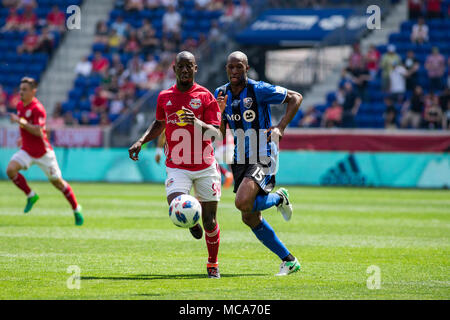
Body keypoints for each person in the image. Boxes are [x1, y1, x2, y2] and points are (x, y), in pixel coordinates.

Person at [128, 51, 223, 278]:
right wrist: (141, 141)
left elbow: (216, 133)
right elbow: (159, 123)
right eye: (180, 66)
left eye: (189, 66)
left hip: (205, 166)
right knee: (176, 205)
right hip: (177, 165)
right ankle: (191, 222)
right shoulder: (164, 97)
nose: (184, 70)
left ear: (195, 68)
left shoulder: (205, 96)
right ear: (174, 69)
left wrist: (197, 122)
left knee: (210, 222)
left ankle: (212, 264)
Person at [214, 51, 302, 276]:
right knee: (249, 215)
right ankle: (289, 260)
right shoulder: (221, 93)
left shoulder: (258, 89)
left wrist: (280, 127)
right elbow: (220, 132)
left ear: (247, 68)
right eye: (231, 67)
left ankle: (279, 198)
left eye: (239, 67)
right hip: (240, 157)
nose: (234, 71)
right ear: (226, 69)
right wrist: (219, 113)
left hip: (263, 153)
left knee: (242, 201)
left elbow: (296, 97)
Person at [6, 77, 84, 225]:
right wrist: (22, 138)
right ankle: (31, 195)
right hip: (27, 151)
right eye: (20, 89)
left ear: (33, 91)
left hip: (43, 153)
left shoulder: (38, 109)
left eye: (24, 90)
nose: (21, 92)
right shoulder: (20, 106)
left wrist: (20, 121)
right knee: (10, 170)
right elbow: (27, 129)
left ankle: (76, 208)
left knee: (58, 184)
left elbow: (39, 132)